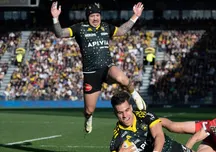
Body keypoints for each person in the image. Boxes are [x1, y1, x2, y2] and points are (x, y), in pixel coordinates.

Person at [51, 1, 146, 134]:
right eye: (92, 16)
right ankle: (88, 119)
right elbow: (60, 33)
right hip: (91, 74)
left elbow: (123, 30)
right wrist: (55, 18)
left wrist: (135, 16)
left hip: (107, 68)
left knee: (122, 78)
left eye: (97, 15)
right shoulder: (80, 28)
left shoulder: (106, 27)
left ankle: (135, 95)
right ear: (87, 17)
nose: (95, 18)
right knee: (89, 110)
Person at [109, 91, 211, 152]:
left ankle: (190, 147)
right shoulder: (118, 137)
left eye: (127, 110)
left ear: (131, 107)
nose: (125, 116)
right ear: (115, 113)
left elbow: (159, 135)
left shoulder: (145, 116)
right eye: (120, 113)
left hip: (172, 147)